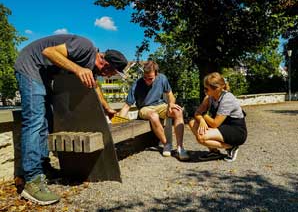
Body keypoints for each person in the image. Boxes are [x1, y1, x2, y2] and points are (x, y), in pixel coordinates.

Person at [14, 34, 128, 205]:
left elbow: (94, 86)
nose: (109, 75)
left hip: (43, 76)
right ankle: (32, 181)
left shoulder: (90, 66)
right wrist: (77, 69)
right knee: (35, 121)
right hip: (30, 66)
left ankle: (43, 167)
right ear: (105, 62)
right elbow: (49, 52)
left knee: (47, 120)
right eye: (111, 72)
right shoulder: (85, 46)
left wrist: (107, 109)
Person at [118, 61, 189, 161]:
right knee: (153, 115)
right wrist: (119, 122)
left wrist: (171, 104)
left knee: (178, 111)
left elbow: (170, 95)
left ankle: (180, 148)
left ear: (156, 74)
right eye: (145, 78)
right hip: (145, 108)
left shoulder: (162, 78)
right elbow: (126, 106)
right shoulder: (137, 84)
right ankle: (166, 144)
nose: (147, 81)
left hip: (160, 105)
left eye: (150, 78)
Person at [189, 72, 247, 162]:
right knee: (192, 123)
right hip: (222, 127)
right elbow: (197, 112)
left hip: (236, 130)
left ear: (216, 88)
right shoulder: (209, 97)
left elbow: (215, 123)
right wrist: (201, 120)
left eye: (206, 89)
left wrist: (203, 116)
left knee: (201, 137)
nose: (204, 91)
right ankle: (214, 152)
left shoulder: (227, 99)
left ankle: (232, 146)